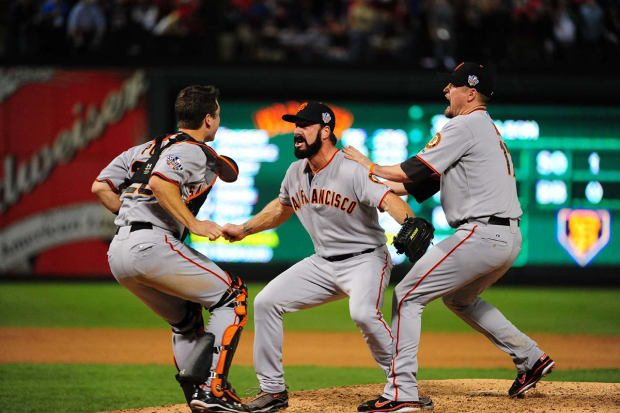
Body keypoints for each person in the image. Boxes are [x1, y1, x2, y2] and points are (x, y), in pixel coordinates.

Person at [344, 62, 555, 412]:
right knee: (460, 300)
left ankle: (402, 392)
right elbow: (413, 184)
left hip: (481, 234)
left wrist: (365, 163)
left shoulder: (464, 125)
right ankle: (530, 357)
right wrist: (373, 184)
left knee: (407, 296)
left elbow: (408, 169)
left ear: (470, 93)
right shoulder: (481, 128)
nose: (446, 90)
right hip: (505, 237)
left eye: (452, 86)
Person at [222, 101, 415, 412]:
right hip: (323, 263)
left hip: (365, 259)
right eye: (295, 125)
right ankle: (272, 391)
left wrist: (409, 223)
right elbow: (279, 209)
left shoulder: (352, 169)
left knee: (364, 314)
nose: (297, 132)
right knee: (266, 302)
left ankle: (405, 390)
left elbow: (390, 200)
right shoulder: (295, 171)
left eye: (305, 125)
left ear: (326, 131)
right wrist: (245, 229)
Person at [91, 85, 250, 413]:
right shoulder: (192, 149)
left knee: (186, 320)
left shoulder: (145, 148)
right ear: (207, 119)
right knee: (232, 296)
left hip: (119, 251)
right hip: (152, 244)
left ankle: (198, 399)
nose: (218, 121)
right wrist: (194, 225)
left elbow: (100, 186)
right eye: (217, 115)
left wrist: (132, 213)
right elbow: (162, 184)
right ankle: (213, 390)